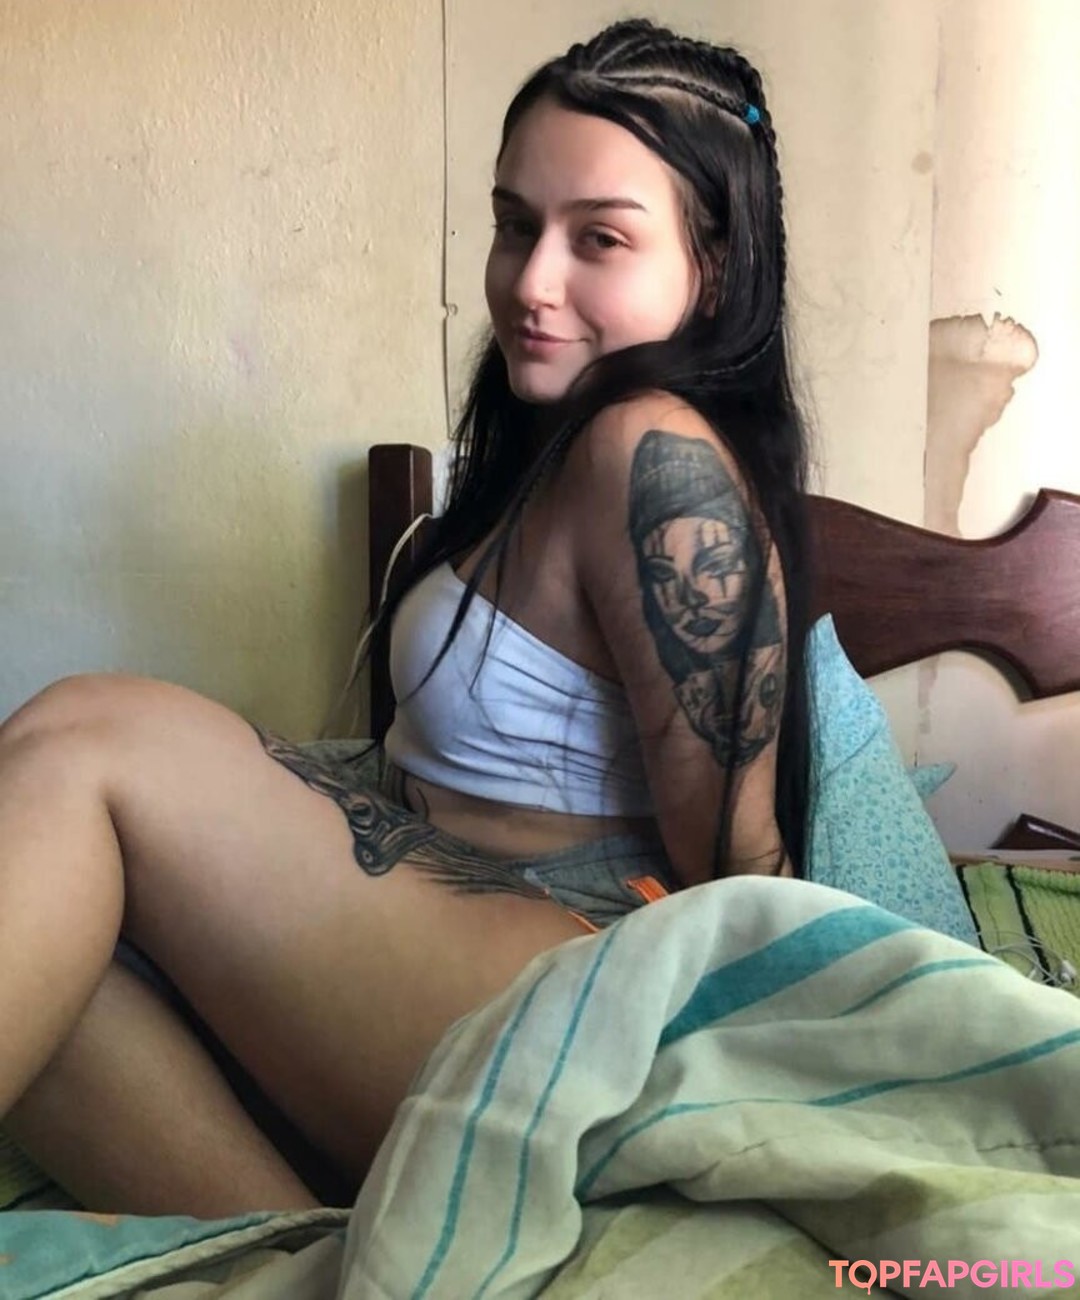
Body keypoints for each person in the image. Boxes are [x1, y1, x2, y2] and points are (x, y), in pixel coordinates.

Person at [0, 17, 812, 1216]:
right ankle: (304, 1261)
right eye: (514, 224)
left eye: (599, 238)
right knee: (54, 940)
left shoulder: (655, 456)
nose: (531, 282)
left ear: (718, 264)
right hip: (439, 936)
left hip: (575, 975)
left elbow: (737, 869)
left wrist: (814, 1073)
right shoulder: (545, 452)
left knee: (85, 740)